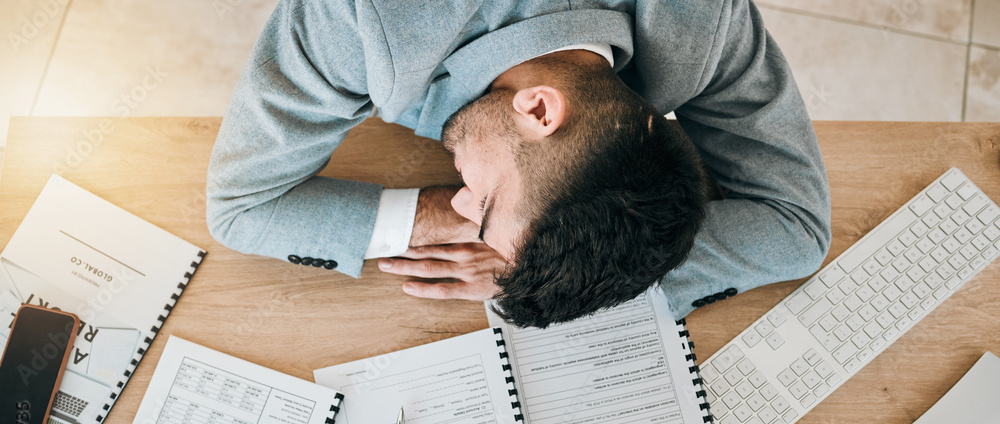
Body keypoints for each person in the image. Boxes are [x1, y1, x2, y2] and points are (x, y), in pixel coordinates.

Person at [207, 0, 831, 328]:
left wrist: (547, 265)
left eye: (473, 210)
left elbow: (797, 228)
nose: (459, 203)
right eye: (485, 205)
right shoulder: (363, 18)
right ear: (536, 111)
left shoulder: (699, 23)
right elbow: (241, 208)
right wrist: (443, 225)